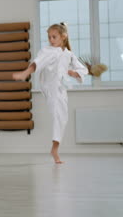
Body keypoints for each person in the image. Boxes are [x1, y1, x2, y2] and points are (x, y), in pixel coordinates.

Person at [13, 22, 88, 164]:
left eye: (54, 37)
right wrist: (26, 72)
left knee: (62, 118)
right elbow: (37, 62)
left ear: (63, 37)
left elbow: (83, 70)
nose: (51, 40)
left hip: (61, 89)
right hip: (50, 87)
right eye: (49, 37)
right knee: (57, 114)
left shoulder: (69, 55)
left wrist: (74, 73)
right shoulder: (47, 51)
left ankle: (55, 148)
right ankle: (54, 150)